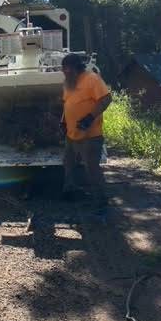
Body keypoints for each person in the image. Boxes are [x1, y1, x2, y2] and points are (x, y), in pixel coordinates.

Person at [61, 53, 112, 214]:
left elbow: (106, 99)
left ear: (76, 68)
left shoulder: (92, 79)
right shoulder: (69, 83)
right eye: (63, 69)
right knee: (68, 163)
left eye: (66, 69)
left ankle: (101, 202)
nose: (64, 72)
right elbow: (67, 104)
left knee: (92, 169)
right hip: (72, 135)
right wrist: (63, 121)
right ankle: (70, 191)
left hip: (90, 136)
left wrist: (89, 118)